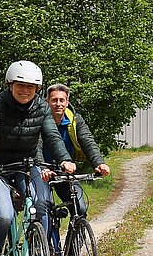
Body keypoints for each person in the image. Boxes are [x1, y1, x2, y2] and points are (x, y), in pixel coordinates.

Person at [0, 60, 76, 256]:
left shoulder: (41, 107)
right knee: (5, 214)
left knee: (42, 204)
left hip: (27, 165)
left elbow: (51, 135)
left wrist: (63, 159)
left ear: (37, 89)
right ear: (10, 84)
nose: (25, 90)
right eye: (20, 84)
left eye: (31, 86)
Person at [43, 83, 110, 219]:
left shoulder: (74, 119)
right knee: (45, 211)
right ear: (47, 102)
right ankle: (44, 239)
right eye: (54, 100)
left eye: (62, 100)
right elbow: (35, 145)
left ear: (67, 102)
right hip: (43, 170)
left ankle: (74, 237)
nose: (58, 104)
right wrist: (41, 167)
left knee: (80, 208)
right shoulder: (39, 120)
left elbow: (87, 140)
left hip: (65, 169)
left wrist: (99, 163)